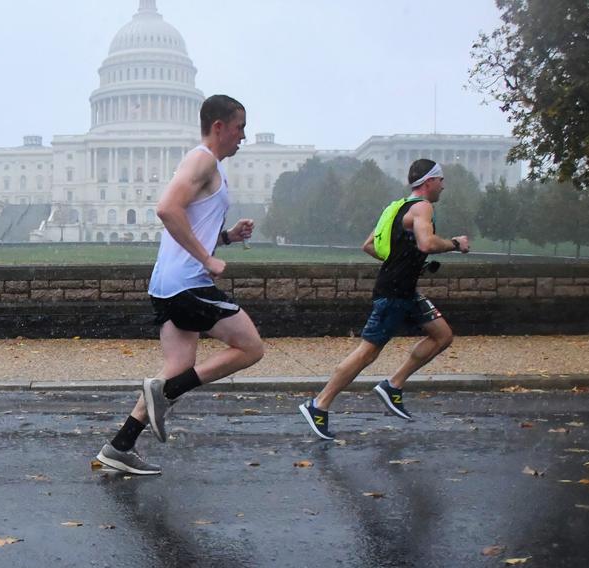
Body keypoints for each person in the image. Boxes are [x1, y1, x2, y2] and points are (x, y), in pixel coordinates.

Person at [96, 94, 264, 474]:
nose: (243, 136)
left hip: (167, 283)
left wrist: (225, 239)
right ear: (219, 126)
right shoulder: (202, 159)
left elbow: (187, 223)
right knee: (251, 348)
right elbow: (166, 209)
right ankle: (165, 392)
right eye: (239, 128)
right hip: (188, 283)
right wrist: (206, 259)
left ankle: (120, 447)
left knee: (178, 366)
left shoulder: (206, 165)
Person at [299, 159, 470, 440]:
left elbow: (368, 246)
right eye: (441, 180)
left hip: (404, 290)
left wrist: (406, 262)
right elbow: (427, 244)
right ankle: (318, 404)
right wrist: (455, 244)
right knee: (367, 352)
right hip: (393, 294)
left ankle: (393, 385)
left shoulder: (395, 208)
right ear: (429, 182)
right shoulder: (423, 207)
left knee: (442, 335)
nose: (443, 185)